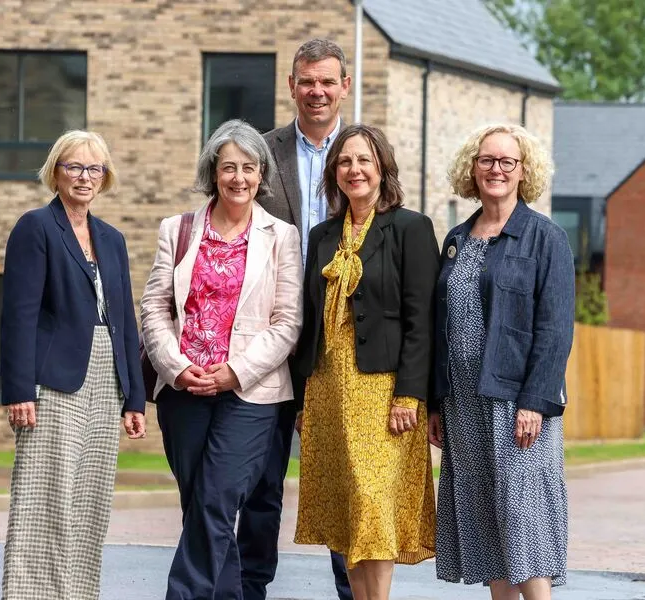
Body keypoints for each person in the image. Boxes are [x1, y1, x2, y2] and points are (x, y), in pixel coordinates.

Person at [140, 119, 303, 600]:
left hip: (250, 393)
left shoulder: (282, 236)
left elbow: (287, 321)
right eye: (229, 167)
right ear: (213, 172)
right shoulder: (179, 229)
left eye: (249, 168)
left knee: (217, 498)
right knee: (200, 505)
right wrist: (176, 366)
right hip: (184, 389)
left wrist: (234, 372)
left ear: (261, 174)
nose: (239, 178)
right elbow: (154, 308)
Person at [292, 123, 438, 600]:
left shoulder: (409, 228)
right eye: (345, 161)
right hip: (329, 391)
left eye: (364, 160)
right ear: (334, 173)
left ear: (382, 169)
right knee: (349, 514)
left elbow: (423, 320)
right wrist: (301, 400)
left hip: (384, 393)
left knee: (375, 509)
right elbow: (309, 321)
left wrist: (411, 394)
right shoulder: (321, 236)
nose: (354, 169)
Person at [0, 130, 147, 600]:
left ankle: (77, 593)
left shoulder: (113, 239)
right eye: (75, 167)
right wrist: (19, 389)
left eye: (94, 169)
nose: (85, 177)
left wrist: (135, 395)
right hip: (54, 380)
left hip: (107, 378)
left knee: (90, 496)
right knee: (45, 494)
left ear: (105, 178)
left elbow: (126, 318)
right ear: (56, 172)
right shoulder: (35, 227)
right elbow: (18, 315)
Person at [429, 124, 575, 600]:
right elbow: (439, 324)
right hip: (464, 404)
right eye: (486, 160)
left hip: (516, 406)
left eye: (506, 162)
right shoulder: (456, 238)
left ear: (523, 171)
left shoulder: (545, 238)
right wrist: (436, 400)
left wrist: (535, 401)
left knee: (523, 519)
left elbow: (555, 330)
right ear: (472, 168)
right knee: (489, 524)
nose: (495, 169)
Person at [247, 38, 354, 600]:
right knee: (262, 483)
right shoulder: (261, 153)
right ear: (291, 86)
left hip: (340, 350)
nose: (317, 91)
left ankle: (351, 590)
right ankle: (251, 588)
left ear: (344, 87)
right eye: (306, 81)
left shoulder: (362, 155)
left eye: (327, 82)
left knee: (340, 479)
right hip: (270, 342)